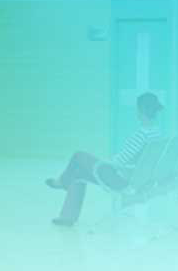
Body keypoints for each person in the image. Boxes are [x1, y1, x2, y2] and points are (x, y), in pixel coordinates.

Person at [45, 92, 164, 226]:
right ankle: (67, 218)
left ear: (140, 110)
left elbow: (120, 161)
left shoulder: (141, 135)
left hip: (121, 179)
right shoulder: (157, 133)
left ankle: (62, 182)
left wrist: (105, 161)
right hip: (136, 178)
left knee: (78, 156)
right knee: (78, 174)